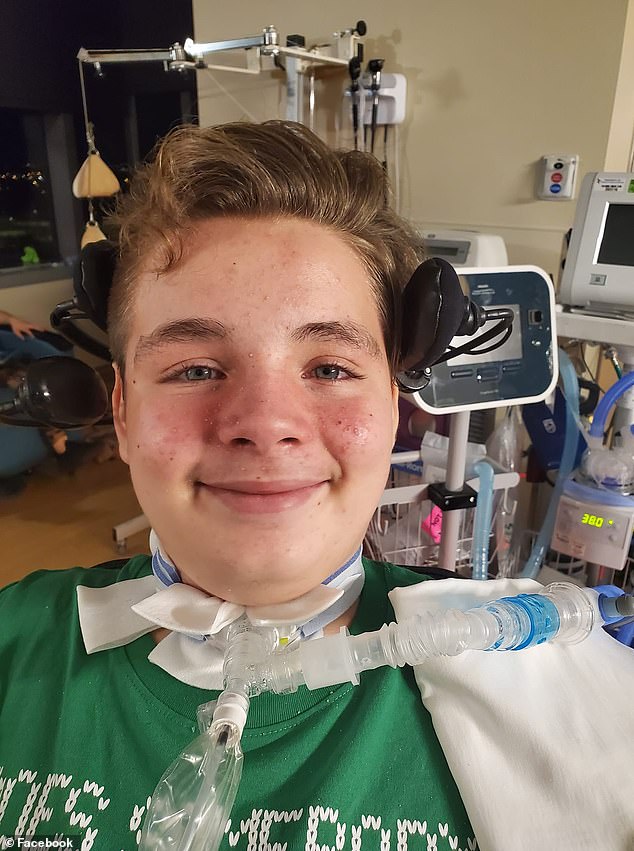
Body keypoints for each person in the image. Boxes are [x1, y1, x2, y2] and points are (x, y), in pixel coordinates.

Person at [0, 120, 479, 849]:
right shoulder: (14, 642)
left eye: (330, 368)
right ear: (122, 413)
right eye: (194, 369)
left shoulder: (524, 687)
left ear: (392, 407)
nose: (264, 422)